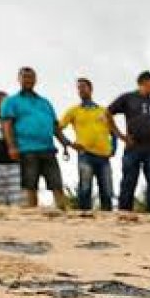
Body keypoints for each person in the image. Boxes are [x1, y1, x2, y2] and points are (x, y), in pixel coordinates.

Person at [1, 67, 71, 209]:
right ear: (19, 79)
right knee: (30, 184)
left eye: (31, 77)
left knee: (56, 183)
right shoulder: (11, 101)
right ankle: (32, 215)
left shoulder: (45, 102)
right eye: (25, 77)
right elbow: (7, 126)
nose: (28, 80)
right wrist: (12, 147)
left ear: (35, 80)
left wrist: (65, 142)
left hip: (48, 148)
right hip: (27, 149)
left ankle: (63, 212)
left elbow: (55, 126)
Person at [109, 71, 150, 213]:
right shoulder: (128, 98)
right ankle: (124, 211)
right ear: (144, 82)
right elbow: (107, 113)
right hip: (133, 146)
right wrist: (120, 135)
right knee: (129, 179)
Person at [60, 78, 114, 212]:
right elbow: (57, 127)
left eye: (84, 87)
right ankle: (85, 216)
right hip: (85, 155)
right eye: (78, 88)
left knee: (107, 190)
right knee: (85, 187)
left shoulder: (103, 110)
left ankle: (108, 218)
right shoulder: (74, 110)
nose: (81, 90)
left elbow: (114, 131)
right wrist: (68, 143)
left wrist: (114, 148)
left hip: (104, 156)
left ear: (91, 88)